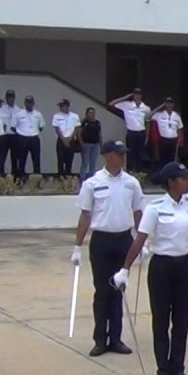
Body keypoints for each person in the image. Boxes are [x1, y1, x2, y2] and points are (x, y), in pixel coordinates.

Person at [112, 161, 188, 375]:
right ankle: (163, 369)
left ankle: (178, 368)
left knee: (182, 319)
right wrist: (125, 269)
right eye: (183, 178)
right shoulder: (155, 208)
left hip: (184, 265)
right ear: (171, 182)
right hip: (162, 266)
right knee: (161, 320)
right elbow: (140, 240)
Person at [71, 139, 145, 357]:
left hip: (124, 240)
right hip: (102, 241)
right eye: (119, 153)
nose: (123, 157)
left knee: (119, 290)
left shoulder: (131, 182)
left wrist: (142, 243)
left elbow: (139, 212)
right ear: (107, 156)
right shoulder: (92, 183)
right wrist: (77, 247)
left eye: (124, 153)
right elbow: (85, 216)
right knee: (103, 291)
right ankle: (100, 339)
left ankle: (116, 338)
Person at [110, 89, 152, 173]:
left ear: (141, 96)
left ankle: (139, 173)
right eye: (135, 94)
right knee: (130, 153)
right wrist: (126, 97)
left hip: (141, 132)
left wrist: (147, 137)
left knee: (140, 154)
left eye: (139, 94)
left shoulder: (146, 108)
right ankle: (130, 171)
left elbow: (148, 123)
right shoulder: (126, 105)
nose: (137, 96)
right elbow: (112, 104)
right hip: (131, 132)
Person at [11, 95, 46, 180]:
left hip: (34, 138)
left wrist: (33, 132)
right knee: (22, 160)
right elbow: (13, 126)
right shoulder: (19, 114)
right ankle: (20, 180)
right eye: (27, 102)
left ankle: (37, 181)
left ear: (33, 103)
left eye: (30, 103)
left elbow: (41, 126)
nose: (29, 104)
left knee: (36, 160)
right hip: (22, 138)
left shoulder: (38, 114)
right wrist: (21, 133)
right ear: (25, 103)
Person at [50, 99, 80, 178]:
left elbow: (77, 128)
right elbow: (57, 129)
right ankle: (60, 177)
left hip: (71, 140)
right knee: (60, 159)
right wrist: (63, 139)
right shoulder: (56, 116)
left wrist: (70, 138)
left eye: (62, 106)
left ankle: (68, 177)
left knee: (69, 160)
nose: (61, 108)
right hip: (61, 140)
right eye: (60, 106)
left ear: (67, 106)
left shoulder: (74, 116)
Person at [78, 107, 103, 179]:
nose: (92, 114)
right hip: (86, 144)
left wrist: (101, 144)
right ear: (87, 114)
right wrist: (81, 143)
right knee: (85, 162)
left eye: (93, 113)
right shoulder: (84, 122)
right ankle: (82, 178)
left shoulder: (97, 122)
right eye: (90, 113)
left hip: (95, 144)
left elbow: (99, 134)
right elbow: (79, 133)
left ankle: (92, 177)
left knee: (93, 162)